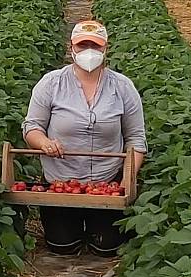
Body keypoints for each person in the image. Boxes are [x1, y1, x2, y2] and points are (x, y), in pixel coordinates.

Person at [22, 20, 147, 257]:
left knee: (106, 248)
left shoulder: (122, 87)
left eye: (95, 46)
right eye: (83, 45)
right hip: (60, 184)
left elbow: (135, 139)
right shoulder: (51, 83)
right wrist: (45, 143)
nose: (89, 51)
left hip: (106, 182)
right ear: (72, 48)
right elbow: (32, 127)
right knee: (63, 248)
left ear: (105, 49)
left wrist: (126, 181)